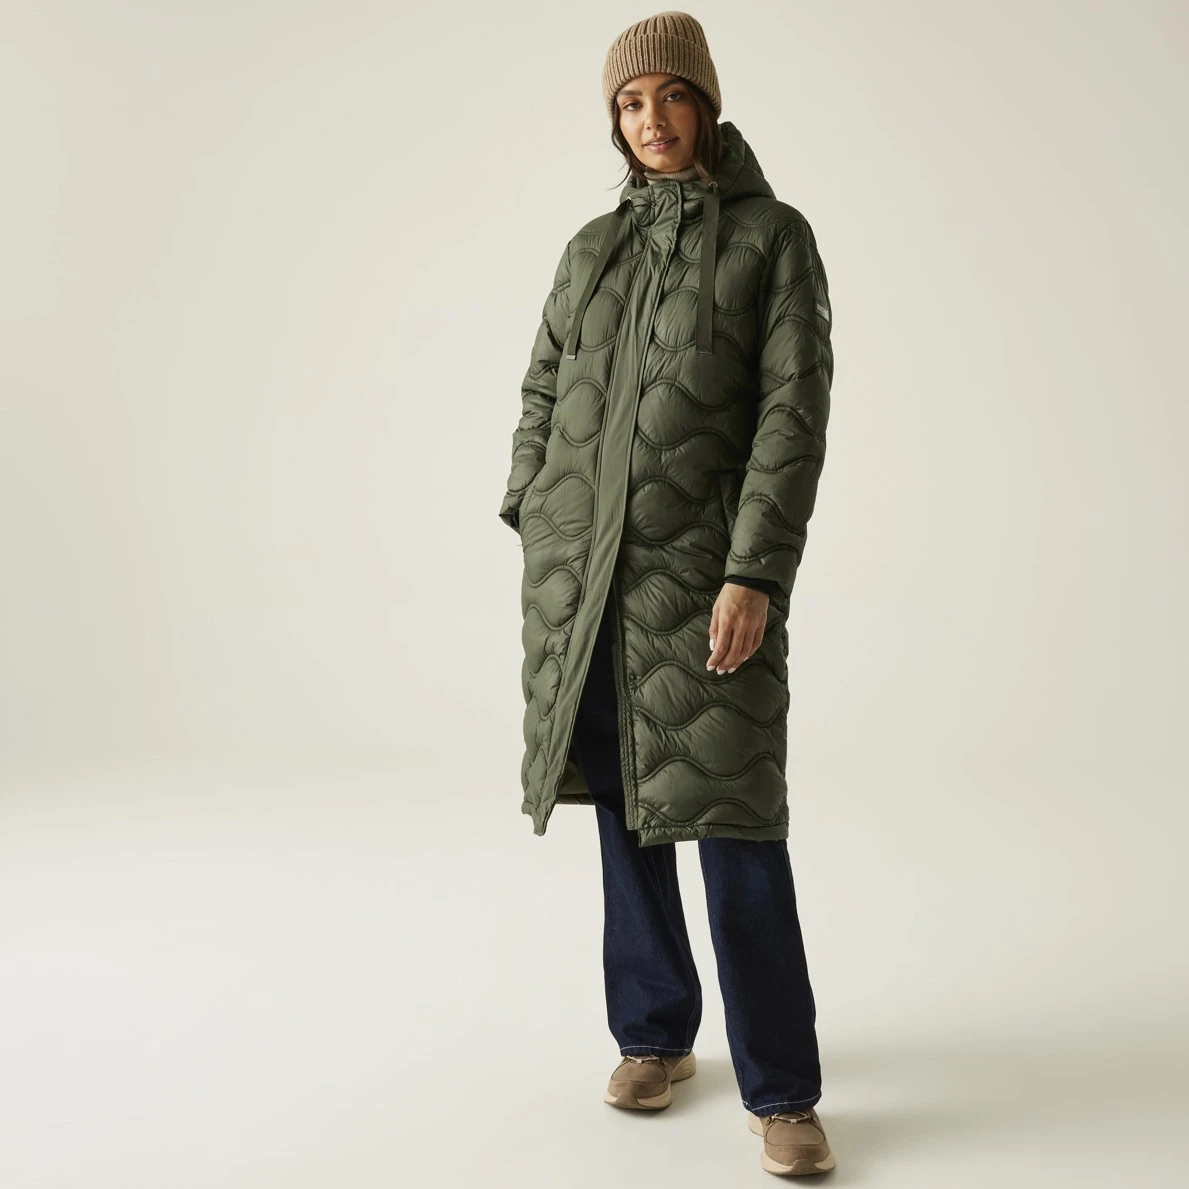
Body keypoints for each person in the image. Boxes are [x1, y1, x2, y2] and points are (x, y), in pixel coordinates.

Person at [497, 11, 836, 1177]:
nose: (651, 120)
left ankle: (782, 1090)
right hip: (584, 590)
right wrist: (535, 511)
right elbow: (541, 389)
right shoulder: (589, 249)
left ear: (706, 104)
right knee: (626, 814)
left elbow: (791, 419)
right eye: (630, 103)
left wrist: (753, 572)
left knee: (736, 825)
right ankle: (654, 1033)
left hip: (705, 586)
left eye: (670, 96)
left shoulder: (772, 239)